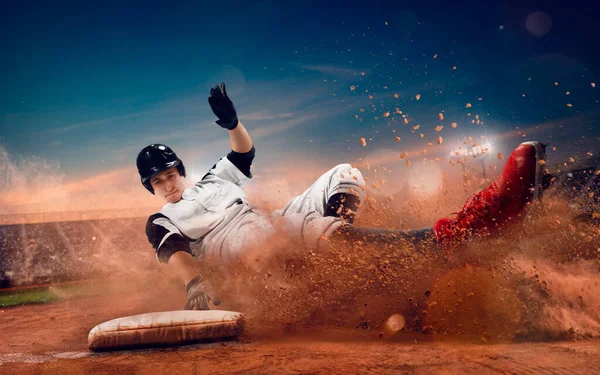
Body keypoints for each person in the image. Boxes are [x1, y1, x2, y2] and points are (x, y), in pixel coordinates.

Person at [136, 83, 547, 310]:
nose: (168, 184)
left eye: (171, 174)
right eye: (158, 181)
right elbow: (173, 252)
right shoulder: (162, 219)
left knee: (343, 175)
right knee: (296, 230)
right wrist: (195, 283)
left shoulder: (211, 180)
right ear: (150, 187)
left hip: (269, 219)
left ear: (181, 172)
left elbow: (243, 152)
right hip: (237, 245)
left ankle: (339, 261)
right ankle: (454, 236)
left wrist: (232, 122)